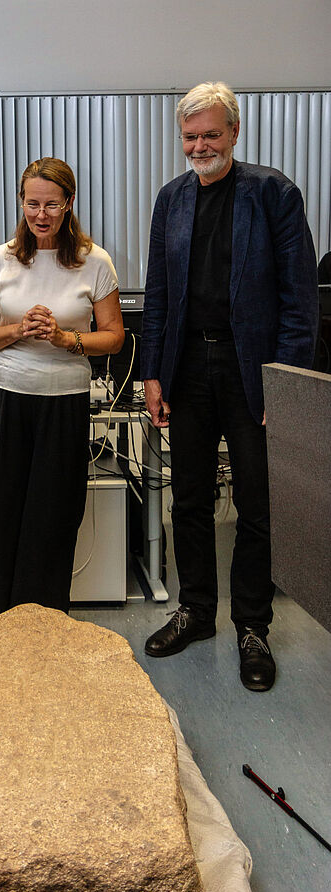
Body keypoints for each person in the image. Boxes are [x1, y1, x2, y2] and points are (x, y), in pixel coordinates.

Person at [141, 83, 318, 691]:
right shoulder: (172, 200)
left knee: (256, 505)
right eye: (190, 137)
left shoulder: (273, 194)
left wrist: (285, 383)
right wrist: (153, 372)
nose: (200, 146)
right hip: (188, 369)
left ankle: (252, 625)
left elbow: (301, 297)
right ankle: (195, 610)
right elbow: (159, 293)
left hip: (253, 372)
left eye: (211, 134)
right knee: (188, 497)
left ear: (234, 133)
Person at [0, 157, 124, 619]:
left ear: (69, 204)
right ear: (21, 203)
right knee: (11, 510)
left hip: (65, 401)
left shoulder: (94, 262)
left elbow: (114, 335)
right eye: (32, 203)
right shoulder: (0, 260)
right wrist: (19, 330)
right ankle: (6, 619)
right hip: (11, 398)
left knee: (55, 515)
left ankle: (49, 621)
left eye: (51, 205)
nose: (40, 214)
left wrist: (64, 339)